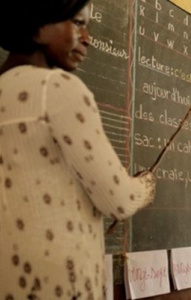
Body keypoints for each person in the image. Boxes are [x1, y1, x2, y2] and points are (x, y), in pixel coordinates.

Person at [0, 0, 156, 299]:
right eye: (78, 23)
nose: (87, 38)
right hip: (60, 284)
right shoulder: (56, 88)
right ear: (39, 24)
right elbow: (118, 200)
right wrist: (145, 185)